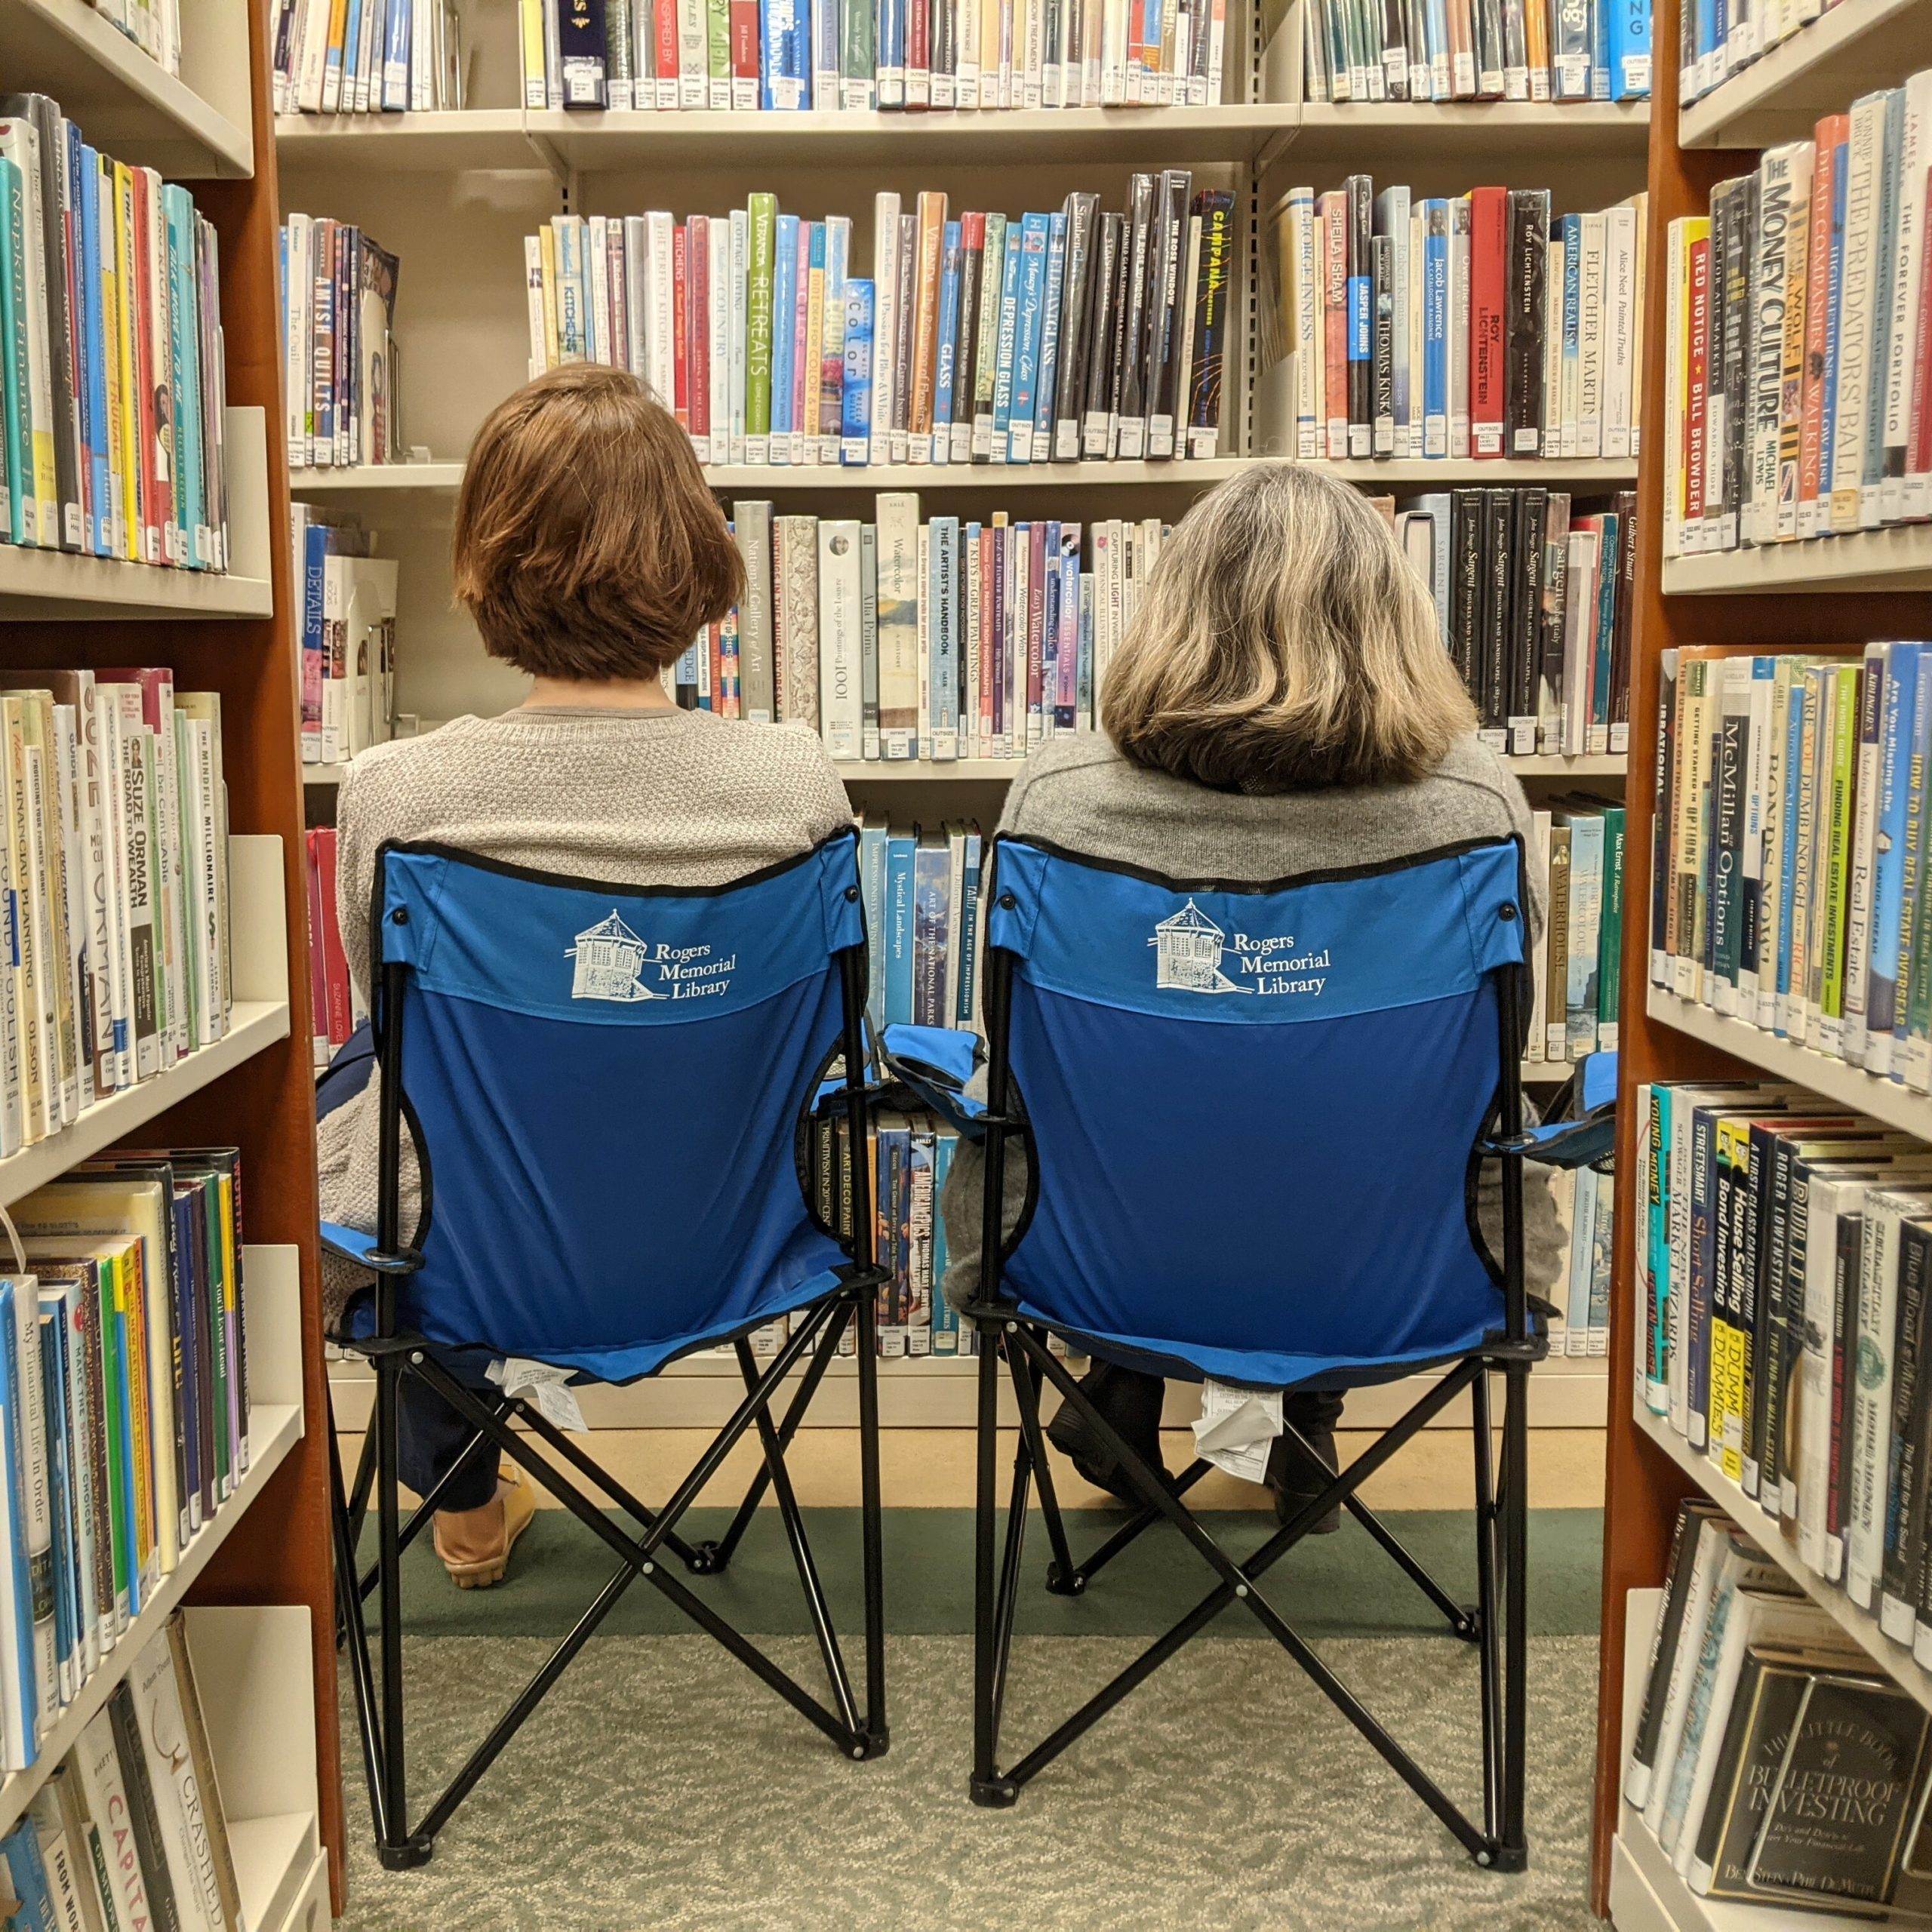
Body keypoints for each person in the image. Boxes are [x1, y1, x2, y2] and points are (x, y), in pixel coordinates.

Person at [937, 463, 1564, 1529]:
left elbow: (1021, 1046)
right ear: (1390, 625)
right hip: (1411, 1267)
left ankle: (1129, 1380)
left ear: (1172, 616)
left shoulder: (1059, 803)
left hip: (1086, 1260)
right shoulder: (1475, 809)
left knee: (1133, 1100)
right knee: (1337, 1098)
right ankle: (1302, 1409)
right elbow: (1491, 1047)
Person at [318, 364, 853, 1588]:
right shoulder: (794, 784)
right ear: (696, 556)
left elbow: (388, 1011)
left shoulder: (397, 795)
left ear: (487, 563)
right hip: (733, 1240)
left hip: (474, 1251)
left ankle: (457, 1483)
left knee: (382, 1075)